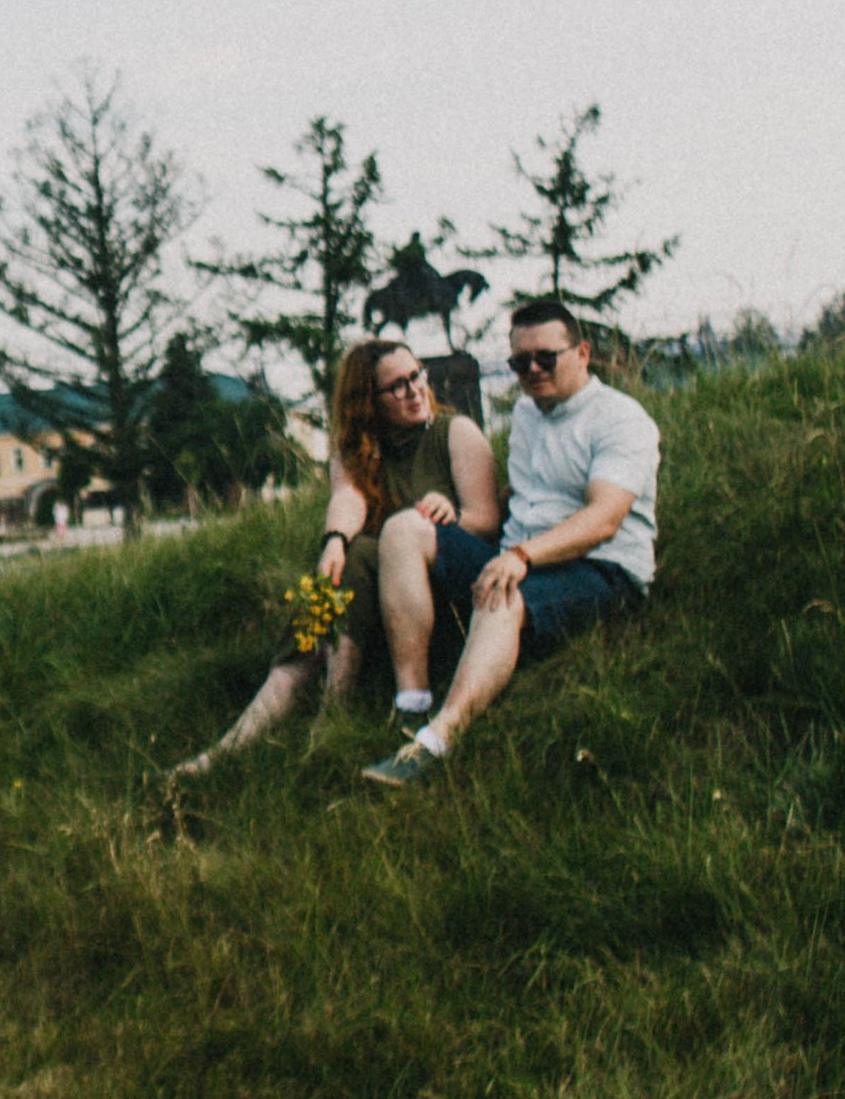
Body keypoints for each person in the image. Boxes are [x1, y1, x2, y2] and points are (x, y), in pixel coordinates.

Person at [359, 295, 657, 792]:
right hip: (522, 555)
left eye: (546, 357)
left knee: (501, 593)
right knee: (405, 528)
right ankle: (411, 704)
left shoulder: (620, 420)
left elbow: (604, 519)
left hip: (601, 569)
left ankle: (436, 741)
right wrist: (451, 513)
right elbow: (529, 490)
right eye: (520, 362)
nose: (532, 370)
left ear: (582, 353)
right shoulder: (527, 413)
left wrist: (521, 556)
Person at [171, 338, 498, 771]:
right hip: (379, 596)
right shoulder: (357, 447)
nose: (415, 390)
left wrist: (450, 516)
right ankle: (228, 749)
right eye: (397, 386)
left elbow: (487, 522)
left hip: (445, 589)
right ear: (370, 402)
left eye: (417, 375)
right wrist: (333, 542)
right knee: (338, 567)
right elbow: (349, 498)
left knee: (359, 554)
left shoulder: (454, 432)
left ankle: (334, 709)